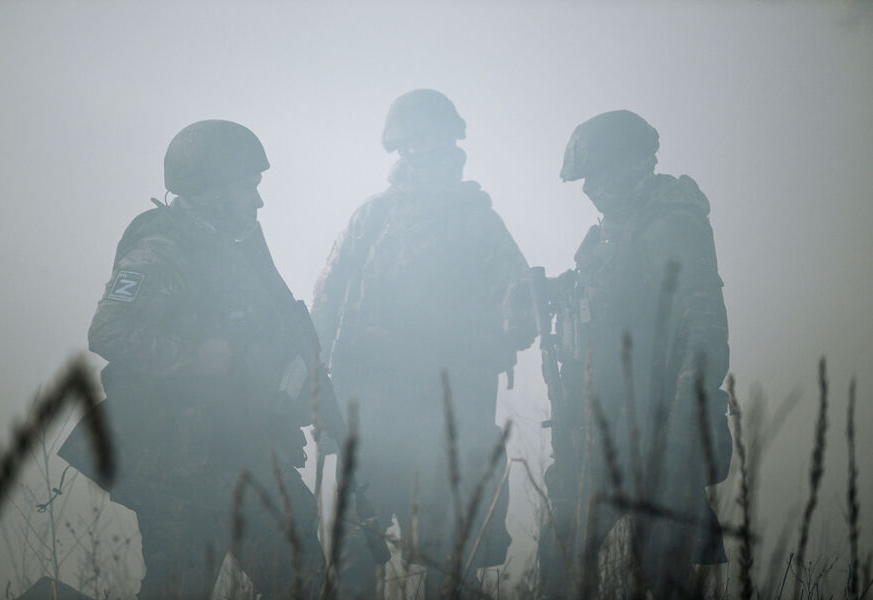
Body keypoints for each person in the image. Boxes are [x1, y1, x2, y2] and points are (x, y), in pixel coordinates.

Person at [60, 120, 344, 599]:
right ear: (208, 191)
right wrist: (193, 358)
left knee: (304, 582)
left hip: (247, 453)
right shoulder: (160, 251)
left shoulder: (236, 248)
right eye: (247, 187)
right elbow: (108, 330)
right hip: (183, 473)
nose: (258, 201)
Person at [312, 89, 534, 598]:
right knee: (354, 557)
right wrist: (319, 388)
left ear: (451, 142)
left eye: (431, 140)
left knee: (450, 562)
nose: (420, 151)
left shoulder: (478, 222)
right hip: (370, 417)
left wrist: (492, 331)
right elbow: (326, 305)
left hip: (447, 420)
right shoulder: (372, 219)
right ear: (398, 149)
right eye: (410, 143)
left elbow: (519, 308)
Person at [537, 110, 732, 598]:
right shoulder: (611, 235)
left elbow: (704, 330)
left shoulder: (671, 226)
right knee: (560, 565)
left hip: (657, 437)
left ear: (632, 164)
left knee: (663, 579)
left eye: (597, 175)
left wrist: (681, 428)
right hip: (596, 438)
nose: (589, 189)